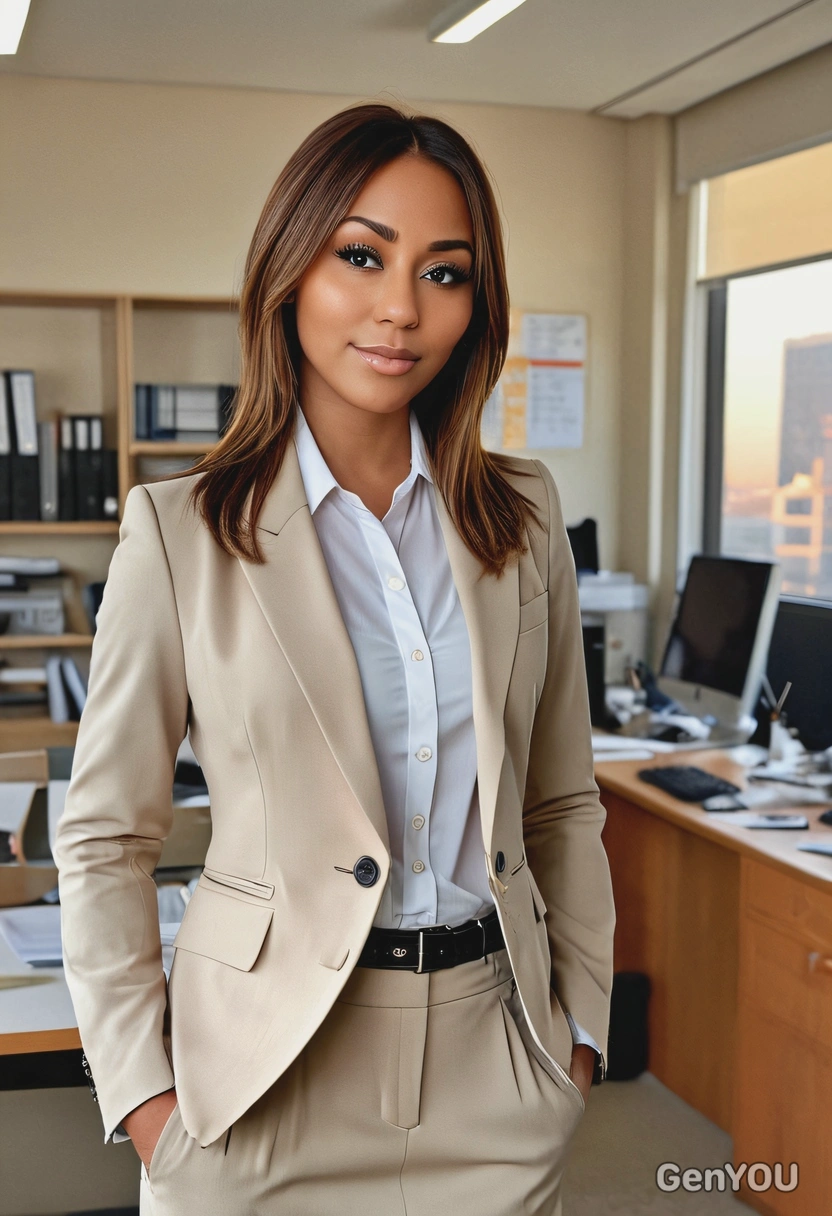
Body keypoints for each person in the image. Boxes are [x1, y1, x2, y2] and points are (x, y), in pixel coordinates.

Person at [54, 102, 616, 1215]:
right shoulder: (179, 532)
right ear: (289, 272)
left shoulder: (523, 514)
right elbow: (107, 835)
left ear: (476, 302)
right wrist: (145, 1096)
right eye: (360, 256)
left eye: (444, 273)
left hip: (493, 1062)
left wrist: (577, 1033)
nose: (400, 308)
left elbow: (563, 802)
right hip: (259, 1082)